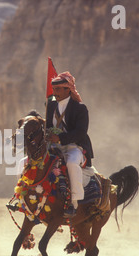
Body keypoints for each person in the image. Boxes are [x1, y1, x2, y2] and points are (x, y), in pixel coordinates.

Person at [45, 71, 94, 217]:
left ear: (69, 89)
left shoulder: (80, 108)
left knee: (72, 163)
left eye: (59, 89)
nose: (55, 92)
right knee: (26, 162)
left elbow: (81, 132)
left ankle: (74, 202)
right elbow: (47, 126)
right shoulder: (50, 105)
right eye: (54, 89)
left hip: (74, 146)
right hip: (53, 147)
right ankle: (23, 198)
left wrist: (60, 138)